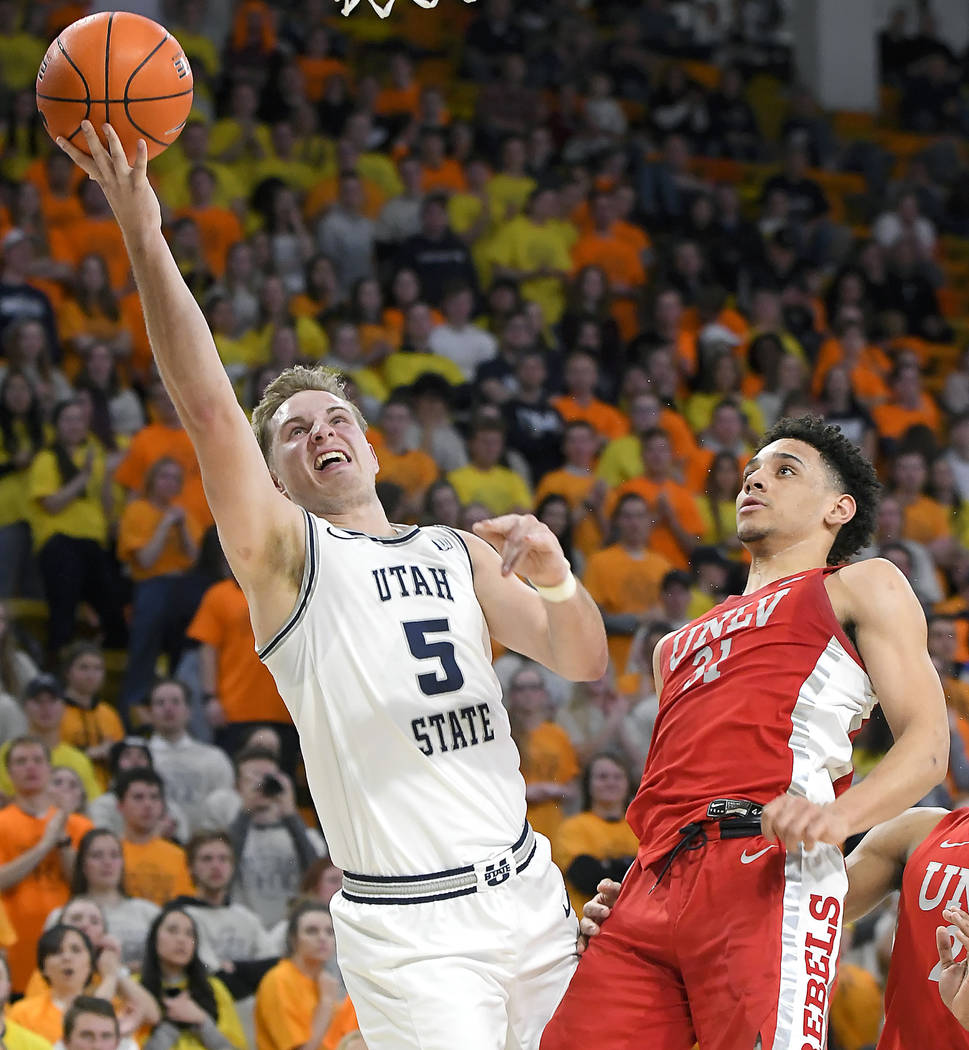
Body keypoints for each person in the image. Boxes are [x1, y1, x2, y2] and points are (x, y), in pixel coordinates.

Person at [59, 121, 607, 1050]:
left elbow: (582, 658)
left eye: (336, 415)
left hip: (527, 896)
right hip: (412, 929)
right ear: (274, 478)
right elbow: (205, 408)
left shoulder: (456, 551)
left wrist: (557, 579)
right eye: (295, 431)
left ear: (371, 440)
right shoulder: (288, 557)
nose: (322, 432)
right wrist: (142, 229)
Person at [541, 415, 949, 1050]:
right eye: (751, 472)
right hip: (650, 886)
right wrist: (649, 876)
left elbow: (926, 748)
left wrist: (839, 821)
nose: (755, 480)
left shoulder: (860, 584)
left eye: (785, 471)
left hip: (768, 867)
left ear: (838, 509)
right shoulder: (672, 647)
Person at [0, 736, 93, 993]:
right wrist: (43, 846)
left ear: (49, 768)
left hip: (70, 952)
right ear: (9, 773)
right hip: (15, 951)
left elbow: (84, 887)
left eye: (37, 760)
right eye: (21, 761)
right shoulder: (2, 823)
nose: (30, 767)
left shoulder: (79, 825)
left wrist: (62, 839)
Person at [173, 830, 276, 990]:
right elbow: (213, 976)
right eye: (207, 859)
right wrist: (251, 971)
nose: (216, 866)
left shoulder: (248, 917)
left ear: (232, 866)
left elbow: (274, 965)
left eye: (223, 859)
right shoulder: (183, 916)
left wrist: (236, 967)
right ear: (191, 867)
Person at [138, 904, 246, 1050]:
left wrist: (201, 1020)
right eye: (172, 930)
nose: (182, 939)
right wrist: (173, 1022)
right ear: (154, 939)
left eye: (189, 934)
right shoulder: (135, 988)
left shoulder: (214, 988)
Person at [254, 900, 358, 1050]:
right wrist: (326, 1002)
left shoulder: (325, 981)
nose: (322, 938)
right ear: (293, 939)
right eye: (311, 931)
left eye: (330, 932)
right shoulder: (279, 979)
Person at [65, 829, 159, 972]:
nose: (107, 862)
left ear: (122, 863)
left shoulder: (148, 911)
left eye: (114, 855)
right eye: (97, 855)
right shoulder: (65, 915)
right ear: (83, 865)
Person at [115, 770, 194, 907]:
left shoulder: (179, 856)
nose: (148, 805)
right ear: (120, 806)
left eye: (154, 797)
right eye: (138, 797)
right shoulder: (110, 854)